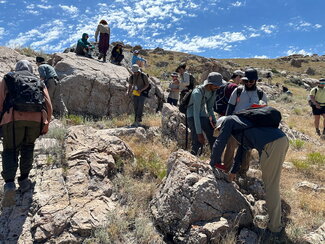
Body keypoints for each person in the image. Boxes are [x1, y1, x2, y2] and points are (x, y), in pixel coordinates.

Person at [210, 115, 289, 237]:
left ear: (221, 126)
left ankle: (275, 228)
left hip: (273, 144)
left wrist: (212, 163)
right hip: (279, 140)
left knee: (271, 185)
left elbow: (220, 142)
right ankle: (274, 220)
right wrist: (233, 171)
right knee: (271, 183)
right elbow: (242, 151)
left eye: (220, 131)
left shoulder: (229, 121)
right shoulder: (242, 127)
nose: (221, 133)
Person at [0, 60, 53, 207]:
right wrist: (46, 123)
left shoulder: (9, 77)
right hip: (36, 120)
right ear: (30, 69)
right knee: (28, 147)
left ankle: (10, 184)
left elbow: (0, 100)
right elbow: (48, 104)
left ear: (16, 68)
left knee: (10, 150)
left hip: (13, 118)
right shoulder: (38, 81)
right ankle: (24, 180)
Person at [223, 68, 268, 174]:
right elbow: (230, 107)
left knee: (246, 149)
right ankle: (226, 169)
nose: (248, 83)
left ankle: (242, 171)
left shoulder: (261, 94)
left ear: (256, 81)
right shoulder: (238, 90)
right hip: (235, 123)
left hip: (251, 126)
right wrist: (226, 124)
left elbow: (264, 112)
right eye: (245, 81)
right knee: (230, 147)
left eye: (251, 81)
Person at [187, 72, 225, 155]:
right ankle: (192, 161)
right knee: (197, 141)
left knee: (213, 137)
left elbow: (210, 108)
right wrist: (199, 133)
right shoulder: (197, 92)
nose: (218, 87)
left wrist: (215, 124)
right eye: (216, 85)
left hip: (202, 115)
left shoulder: (213, 91)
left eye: (219, 85)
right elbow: (195, 114)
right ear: (209, 84)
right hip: (192, 116)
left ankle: (215, 160)